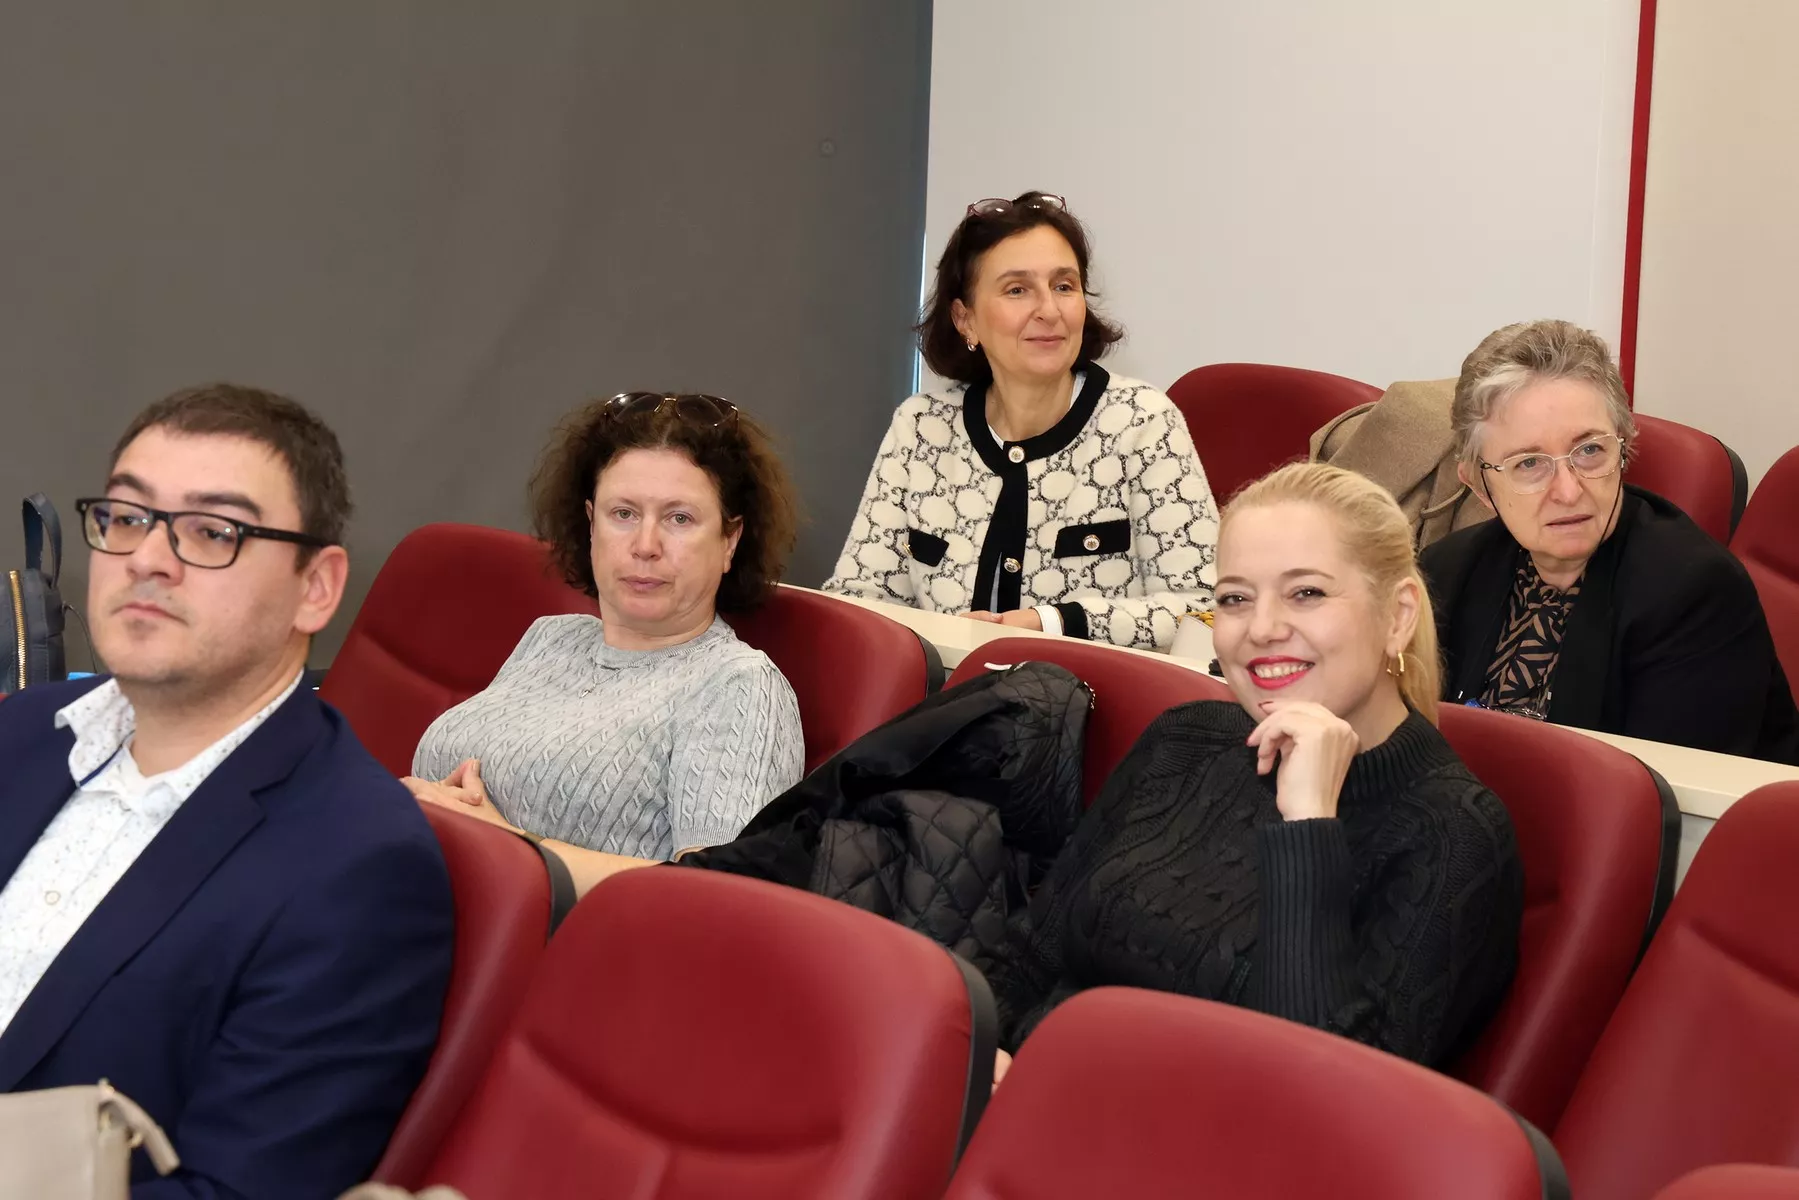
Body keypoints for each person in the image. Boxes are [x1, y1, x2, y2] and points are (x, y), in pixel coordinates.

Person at [0, 385, 454, 1199]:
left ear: (317, 588)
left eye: (213, 531)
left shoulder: (358, 869)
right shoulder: (25, 731)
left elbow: (235, 1192)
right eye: (127, 517)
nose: (147, 558)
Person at [985, 462, 1523, 1081]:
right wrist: (984, 1059)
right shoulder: (1184, 739)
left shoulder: (1454, 832)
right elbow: (1029, 957)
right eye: (1235, 599)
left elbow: (1328, 1095)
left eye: (1307, 593)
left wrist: (1309, 826)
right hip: (1026, 1099)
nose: (1262, 630)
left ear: (1398, 616)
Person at [407, 392, 806, 897]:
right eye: (623, 513)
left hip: (541, 939)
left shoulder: (740, 687)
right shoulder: (551, 638)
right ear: (591, 523)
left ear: (730, 541)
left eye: (679, 518)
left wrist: (512, 848)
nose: (645, 545)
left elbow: (715, 899)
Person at [823, 191, 1218, 650]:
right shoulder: (922, 427)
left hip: (1094, 694)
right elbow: (857, 601)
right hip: (947, 692)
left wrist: (1052, 623)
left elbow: (1205, 609)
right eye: (1017, 290)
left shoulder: (1142, 422)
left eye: (1064, 286)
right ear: (965, 319)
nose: (1049, 310)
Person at [1420, 319, 1799, 763]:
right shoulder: (1447, 571)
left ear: (1622, 450)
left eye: (1589, 451)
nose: (1568, 491)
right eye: (1529, 463)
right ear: (1479, 485)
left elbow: (1657, 793)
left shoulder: (1694, 592)